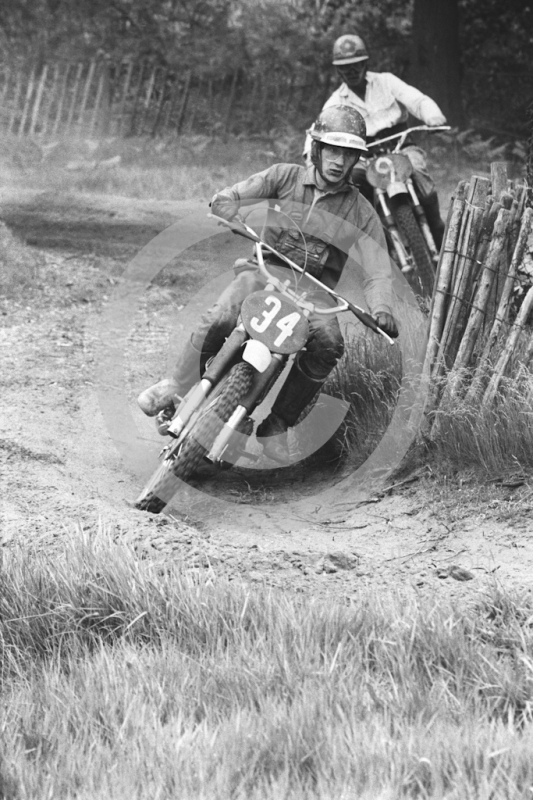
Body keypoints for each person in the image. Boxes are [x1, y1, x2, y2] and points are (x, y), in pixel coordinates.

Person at [137, 105, 398, 463]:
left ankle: (277, 424)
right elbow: (236, 193)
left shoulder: (361, 211)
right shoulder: (283, 177)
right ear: (318, 149)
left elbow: (378, 270)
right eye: (333, 150)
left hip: (313, 294)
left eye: (348, 154)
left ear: (357, 160)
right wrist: (226, 201)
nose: (339, 161)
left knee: (329, 344)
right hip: (264, 270)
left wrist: (382, 308)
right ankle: (176, 385)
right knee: (222, 316)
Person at [304, 33, 448, 248]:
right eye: (345, 67)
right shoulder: (336, 101)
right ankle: (373, 247)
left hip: (401, 148)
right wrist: (311, 157)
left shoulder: (386, 81)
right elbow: (319, 131)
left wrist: (433, 116)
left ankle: (438, 232)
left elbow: (417, 100)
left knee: (419, 173)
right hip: (365, 157)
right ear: (337, 70)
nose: (351, 71)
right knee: (351, 188)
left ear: (365, 64)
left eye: (356, 65)